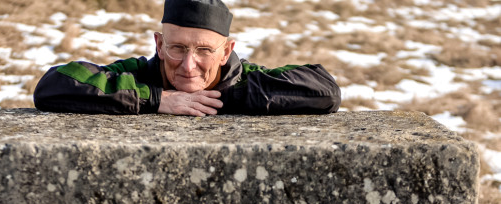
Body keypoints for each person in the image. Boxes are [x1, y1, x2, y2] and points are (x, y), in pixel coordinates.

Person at [33, 0, 340, 116]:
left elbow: (324, 90)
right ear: (159, 44)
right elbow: (55, 83)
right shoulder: (138, 73)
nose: (188, 65)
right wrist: (155, 98)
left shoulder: (244, 79)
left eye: (204, 50)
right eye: (177, 48)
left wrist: (225, 96)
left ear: (226, 52)